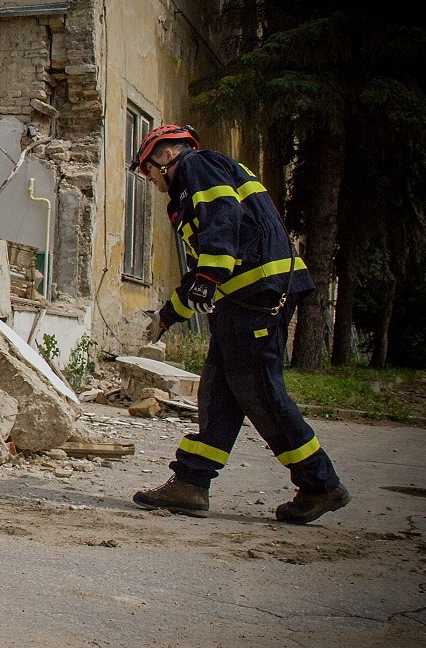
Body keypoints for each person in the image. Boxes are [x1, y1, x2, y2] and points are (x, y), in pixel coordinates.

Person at [129, 124, 350, 524]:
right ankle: (191, 482)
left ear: (164, 156)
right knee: (219, 391)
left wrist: (209, 277)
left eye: (146, 170)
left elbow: (221, 222)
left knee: (260, 391)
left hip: (258, 294)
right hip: (242, 299)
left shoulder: (198, 167)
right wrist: (170, 313)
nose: (149, 181)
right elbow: (203, 263)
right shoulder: (198, 179)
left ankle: (321, 483)